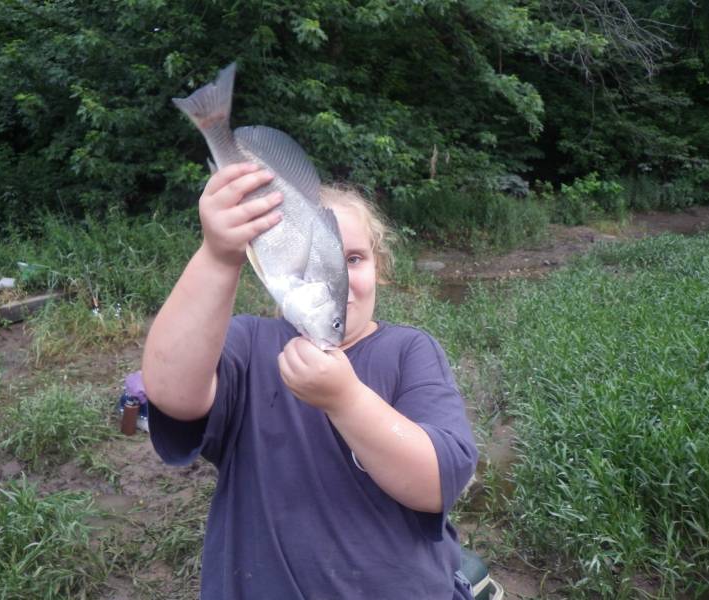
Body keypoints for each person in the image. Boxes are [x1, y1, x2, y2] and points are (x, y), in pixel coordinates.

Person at [142, 162, 479, 599]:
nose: (334, 279)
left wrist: (347, 400)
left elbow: (437, 484)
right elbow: (173, 393)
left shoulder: (410, 351)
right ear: (271, 265)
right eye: (310, 258)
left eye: (352, 259)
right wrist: (218, 254)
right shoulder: (246, 343)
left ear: (380, 267)